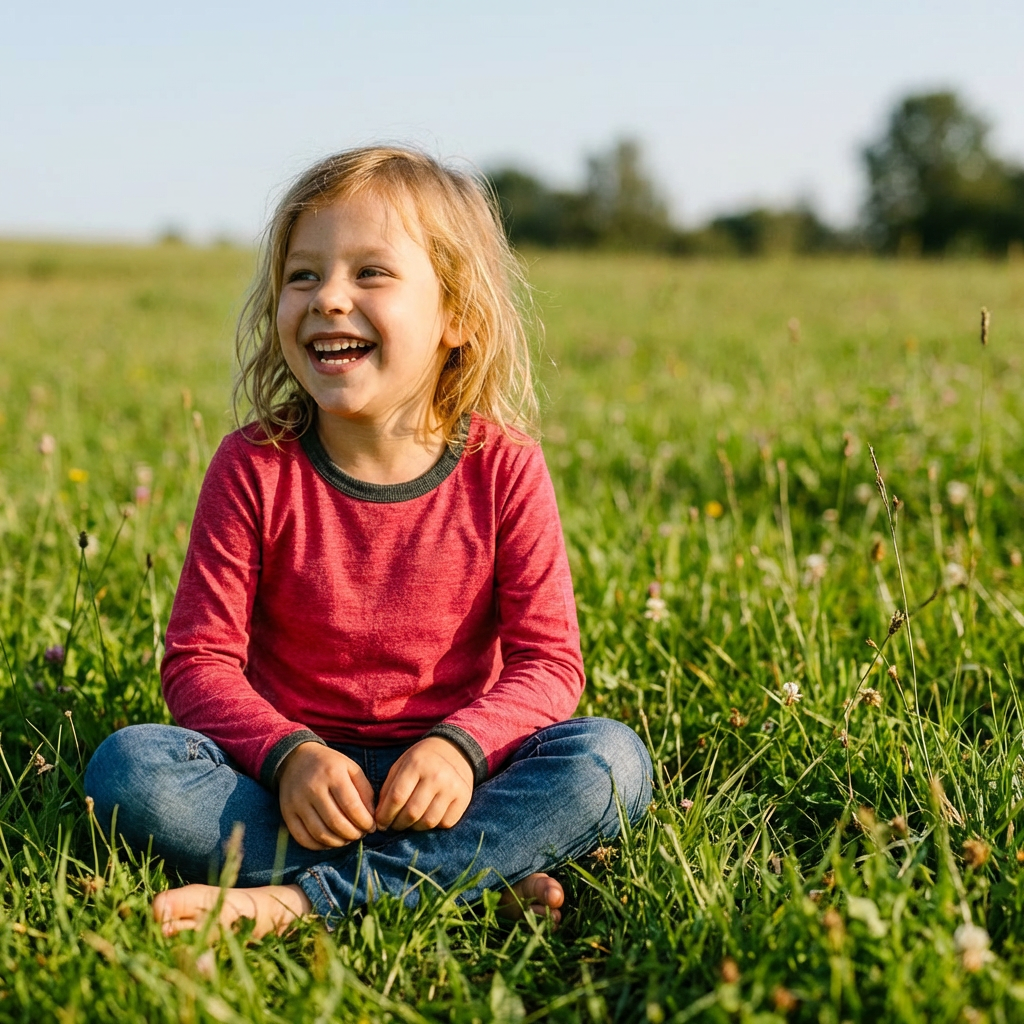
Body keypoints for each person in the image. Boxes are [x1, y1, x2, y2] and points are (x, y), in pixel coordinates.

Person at [85, 147, 652, 940]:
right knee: (129, 769)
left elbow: (548, 664)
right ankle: (466, 877)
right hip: (290, 783)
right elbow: (198, 663)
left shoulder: (505, 468)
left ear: (456, 315)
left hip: (459, 779)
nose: (329, 300)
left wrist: (461, 750)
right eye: (304, 276)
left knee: (610, 763)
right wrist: (289, 756)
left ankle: (301, 901)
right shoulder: (253, 466)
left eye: (371, 274)